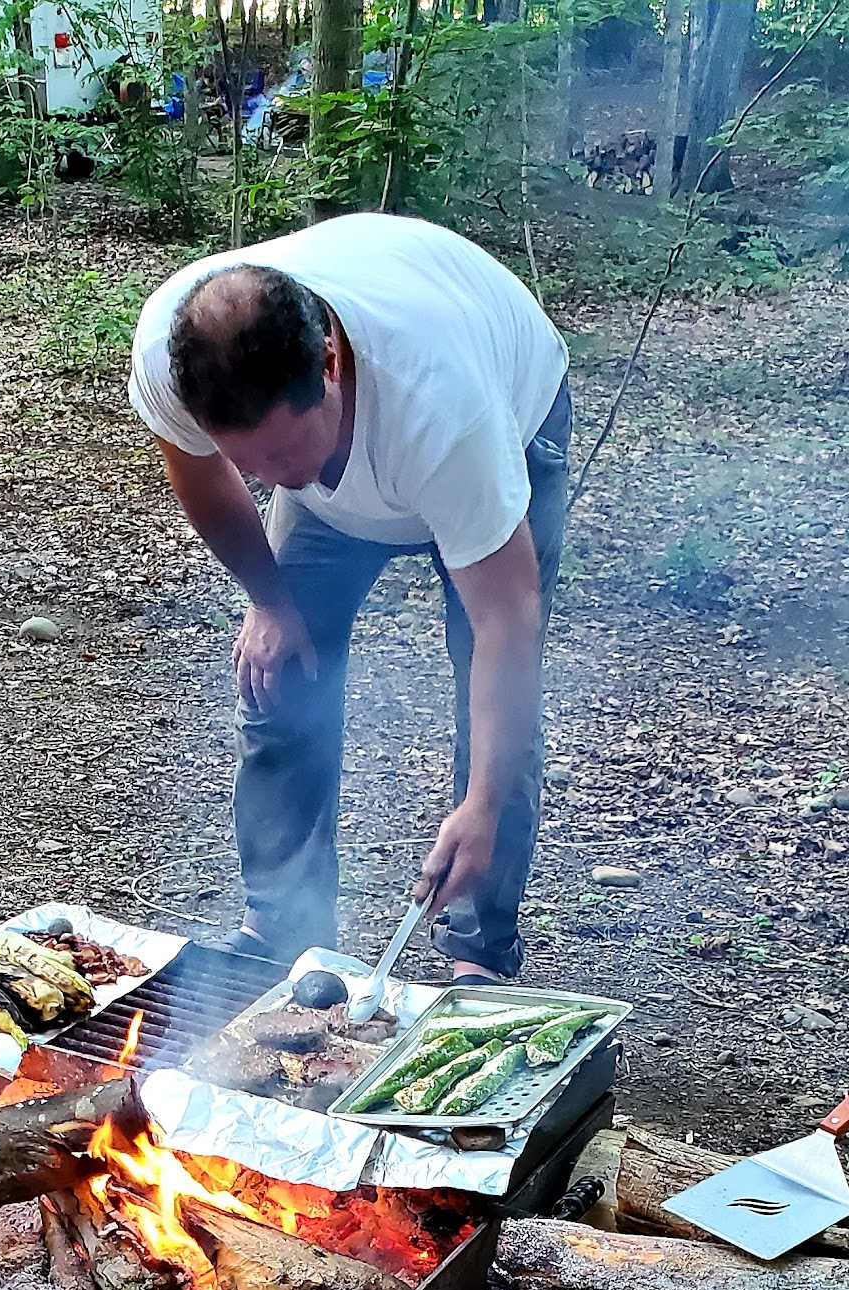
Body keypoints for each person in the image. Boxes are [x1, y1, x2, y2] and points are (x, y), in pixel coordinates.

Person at [127, 211, 570, 984]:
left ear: (329, 361)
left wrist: (483, 806)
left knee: (490, 696)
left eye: (292, 450)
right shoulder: (175, 355)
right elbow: (201, 473)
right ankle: (280, 928)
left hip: (504, 423)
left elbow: (508, 619)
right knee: (280, 671)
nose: (281, 478)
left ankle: (479, 950)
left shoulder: (444, 404)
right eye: (254, 463)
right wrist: (269, 601)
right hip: (366, 466)